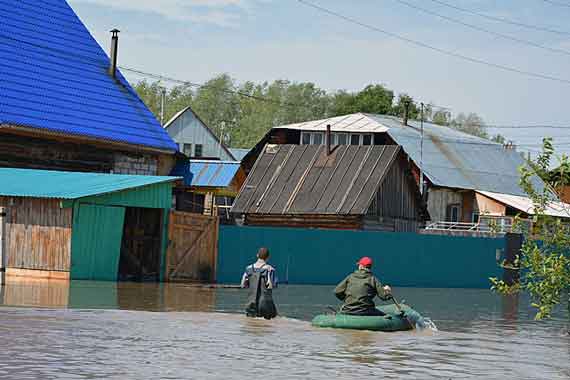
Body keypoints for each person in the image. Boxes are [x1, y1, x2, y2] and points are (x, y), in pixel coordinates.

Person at [240, 247, 278, 319]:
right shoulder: (270, 269)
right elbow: (272, 286)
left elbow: (243, 285)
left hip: (251, 305)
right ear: (268, 257)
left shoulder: (248, 268)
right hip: (266, 305)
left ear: (257, 255)